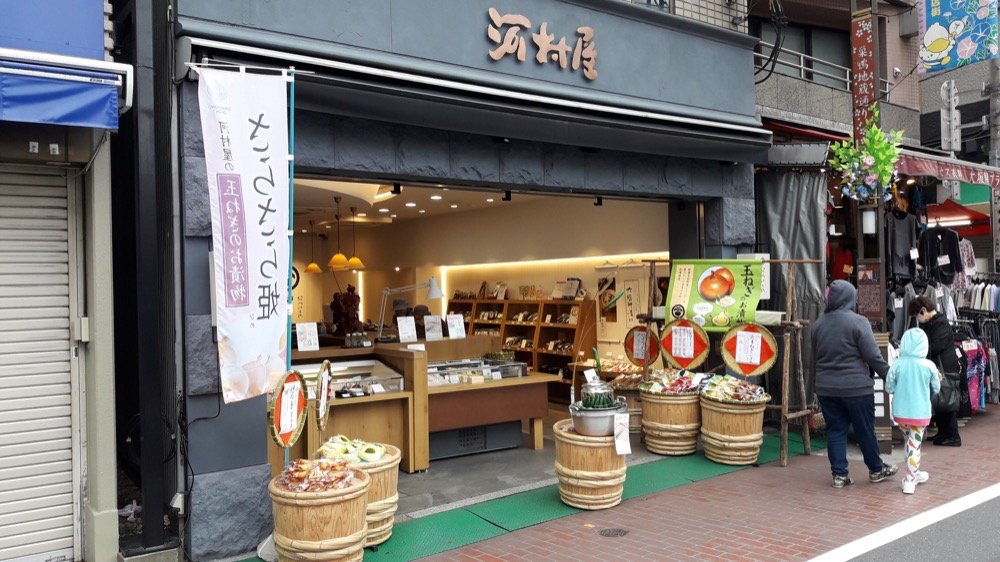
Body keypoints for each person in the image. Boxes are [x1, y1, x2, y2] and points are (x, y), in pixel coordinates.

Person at [811, 280, 898, 488]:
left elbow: (813, 358)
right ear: (850, 298)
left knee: (835, 430)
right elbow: (873, 356)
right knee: (865, 430)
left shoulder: (817, 325)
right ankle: (876, 469)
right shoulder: (859, 322)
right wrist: (889, 376)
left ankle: (839, 475)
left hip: (826, 387)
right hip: (856, 388)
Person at [885, 328, 940, 494]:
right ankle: (910, 479)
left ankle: (914, 472)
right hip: (920, 412)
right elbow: (936, 388)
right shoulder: (929, 366)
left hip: (901, 413)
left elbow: (889, 386)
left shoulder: (898, 364)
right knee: (915, 444)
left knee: (908, 441)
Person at [909, 295, 962, 447]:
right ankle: (943, 432)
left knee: (947, 401)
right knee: (938, 400)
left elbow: (936, 346)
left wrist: (919, 351)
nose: (917, 320)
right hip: (938, 367)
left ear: (924, 310)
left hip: (946, 368)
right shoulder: (931, 324)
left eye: (917, 315)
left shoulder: (941, 324)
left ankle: (953, 436)